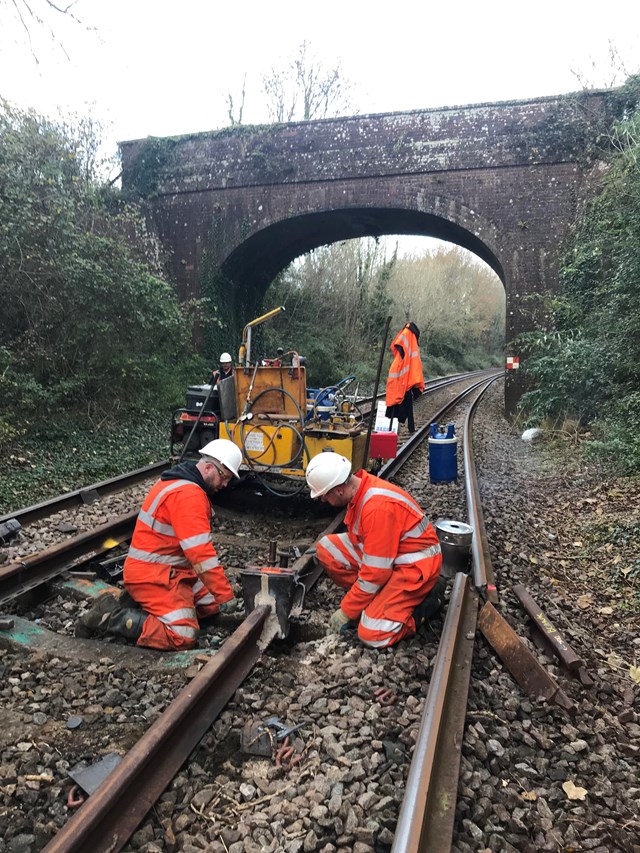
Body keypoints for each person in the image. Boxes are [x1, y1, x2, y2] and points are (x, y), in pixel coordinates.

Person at [76, 439, 242, 650]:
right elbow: (200, 554)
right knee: (183, 636)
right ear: (209, 467)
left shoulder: (178, 482)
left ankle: (142, 605)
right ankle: (110, 616)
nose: (225, 484)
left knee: (211, 606)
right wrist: (224, 594)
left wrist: (219, 596)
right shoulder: (188, 495)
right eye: (224, 477)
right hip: (154, 575)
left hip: (169, 569)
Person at [305, 452, 446, 648]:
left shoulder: (376, 508)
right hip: (390, 555)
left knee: (372, 634)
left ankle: (427, 603)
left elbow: (375, 574)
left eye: (324, 496)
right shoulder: (361, 488)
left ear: (338, 490)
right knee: (327, 549)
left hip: (414, 566)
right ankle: (374, 600)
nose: (323, 501)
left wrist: (347, 611)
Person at [385, 322, 424, 434]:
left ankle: (391, 433)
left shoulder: (405, 336)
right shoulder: (409, 338)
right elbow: (415, 367)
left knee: (394, 410)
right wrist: (416, 386)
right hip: (403, 384)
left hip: (400, 384)